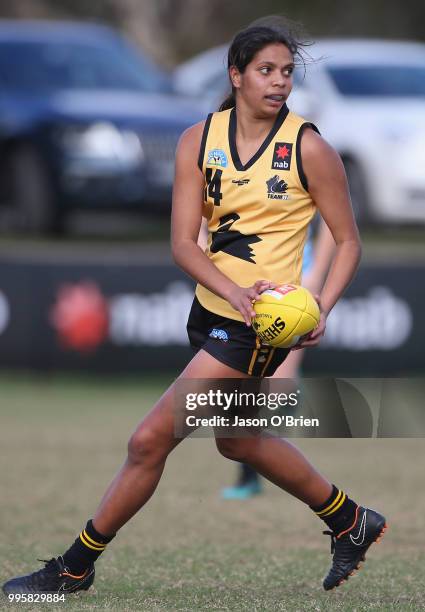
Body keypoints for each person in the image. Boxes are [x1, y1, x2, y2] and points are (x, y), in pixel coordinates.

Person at [2, 19, 386, 595]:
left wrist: (321, 307)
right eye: (266, 71)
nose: (279, 82)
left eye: (286, 72)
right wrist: (231, 292)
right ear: (235, 75)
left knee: (148, 440)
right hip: (212, 311)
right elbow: (183, 243)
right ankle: (350, 521)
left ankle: (73, 566)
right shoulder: (196, 140)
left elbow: (350, 241)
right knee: (238, 439)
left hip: (256, 329)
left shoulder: (309, 147)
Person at [221, 219, 335, 499]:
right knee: (240, 388)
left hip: (291, 287)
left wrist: (316, 275)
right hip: (236, 284)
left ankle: (249, 476)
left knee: (274, 386)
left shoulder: (306, 175)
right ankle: (250, 472)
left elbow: (335, 224)